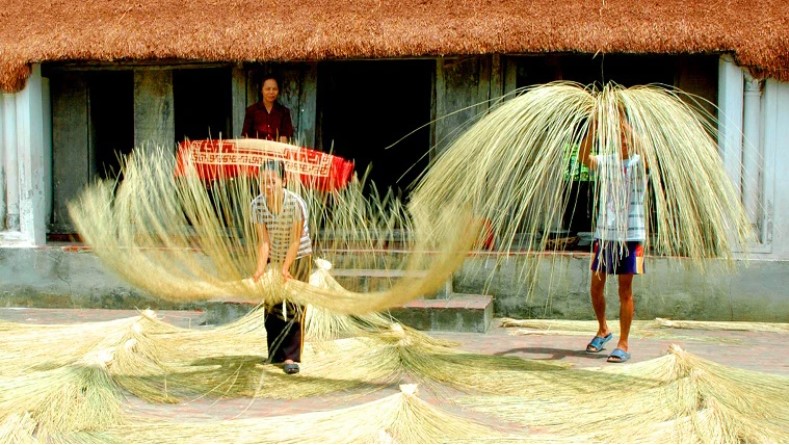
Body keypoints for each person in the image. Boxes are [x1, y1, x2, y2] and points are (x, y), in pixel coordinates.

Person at [578, 108, 647, 364]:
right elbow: (584, 158)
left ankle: (624, 343)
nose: (625, 142)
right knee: (596, 286)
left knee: (625, 290)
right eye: (619, 138)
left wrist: (628, 128)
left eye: (627, 138)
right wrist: (595, 126)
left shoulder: (640, 163)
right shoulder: (607, 162)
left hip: (632, 237)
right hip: (605, 235)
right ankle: (603, 329)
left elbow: (650, 155)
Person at [251, 159, 312, 374]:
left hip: (299, 256)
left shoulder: (295, 204)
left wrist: (286, 268)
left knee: (294, 305)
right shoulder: (257, 205)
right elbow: (264, 242)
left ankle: (290, 358)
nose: (268, 187)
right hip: (274, 256)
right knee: (272, 304)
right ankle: (275, 354)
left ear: (283, 181)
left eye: (272, 181)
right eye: (264, 182)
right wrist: (260, 270)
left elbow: (295, 241)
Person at [242, 74, 294, 143]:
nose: (271, 92)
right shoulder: (251, 111)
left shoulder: (284, 112)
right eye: (268, 89)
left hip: (276, 151)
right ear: (261, 90)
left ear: (278, 91)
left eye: (274, 89)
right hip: (256, 150)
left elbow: (284, 138)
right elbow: (246, 136)